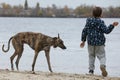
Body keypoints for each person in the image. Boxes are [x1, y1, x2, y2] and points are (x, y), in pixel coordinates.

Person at [80, 6, 119, 77]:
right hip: (100, 43)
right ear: (101, 14)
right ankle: (102, 65)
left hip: (90, 43)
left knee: (91, 56)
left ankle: (91, 71)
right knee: (102, 56)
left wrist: (83, 40)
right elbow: (106, 31)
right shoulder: (101, 22)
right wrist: (112, 25)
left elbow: (84, 31)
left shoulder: (88, 21)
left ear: (92, 14)